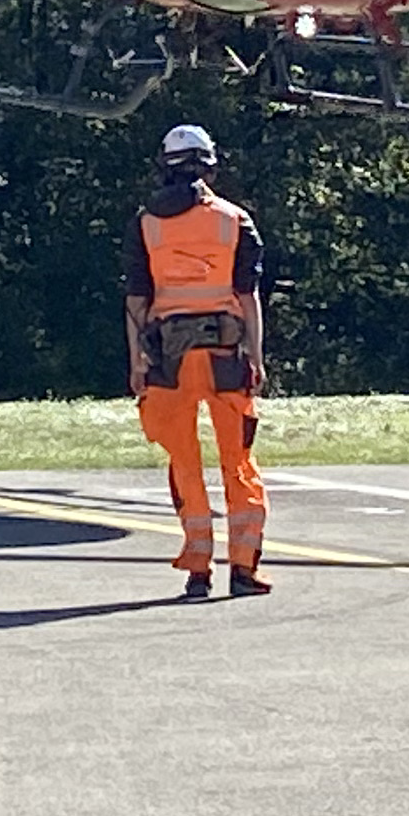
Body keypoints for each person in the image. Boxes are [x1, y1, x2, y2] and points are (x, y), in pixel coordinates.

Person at [126, 124, 271, 599]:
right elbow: (247, 296)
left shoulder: (145, 224)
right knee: (238, 462)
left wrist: (137, 363)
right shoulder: (235, 220)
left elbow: (136, 302)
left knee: (185, 461)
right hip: (227, 355)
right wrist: (256, 355)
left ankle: (198, 571)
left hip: (168, 360)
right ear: (209, 165)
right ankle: (244, 571)